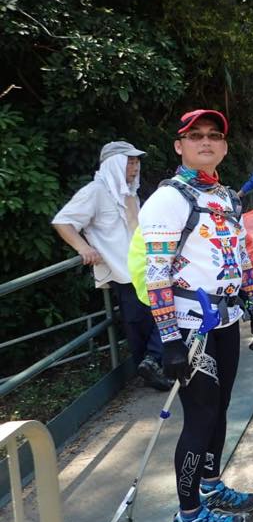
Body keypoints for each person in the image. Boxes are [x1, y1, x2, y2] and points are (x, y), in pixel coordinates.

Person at [139, 109, 253, 522]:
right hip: (190, 328)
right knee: (199, 417)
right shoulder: (168, 199)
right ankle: (188, 516)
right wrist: (169, 340)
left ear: (225, 146)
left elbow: (239, 258)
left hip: (226, 320)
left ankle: (211, 486)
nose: (206, 142)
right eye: (195, 136)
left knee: (220, 408)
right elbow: (157, 275)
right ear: (179, 146)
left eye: (214, 135)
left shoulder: (226, 198)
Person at [52, 141, 172, 392]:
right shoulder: (95, 191)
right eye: (129, 161)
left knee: (159, 317)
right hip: (124, 272)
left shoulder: (129, 193)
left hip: (146, 268)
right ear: (113, 164)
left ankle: (153, 364)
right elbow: (63, 221)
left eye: (137, 161)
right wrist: (83, 248)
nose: (135, 166)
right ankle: (152, 367)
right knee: (140, 324)